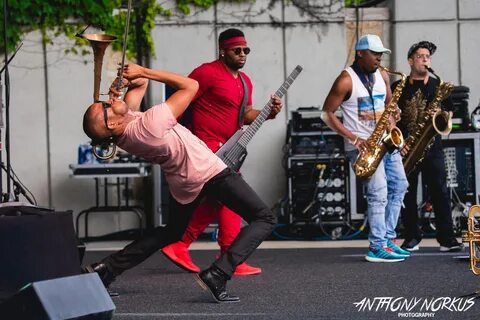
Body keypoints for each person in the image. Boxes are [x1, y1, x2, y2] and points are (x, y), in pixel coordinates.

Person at [82, 63, 278, 303]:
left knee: (172, 231)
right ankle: (219, 272)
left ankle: (107, 269)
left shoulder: (124, 130)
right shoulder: (149, 125)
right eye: (105, 107)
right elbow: (191, 85)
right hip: (207, 171)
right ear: (111, 124)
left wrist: (125, 85)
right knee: (265, 218)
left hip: (182, 181)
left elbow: (139, 86)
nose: (108, 102)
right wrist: (144, 71)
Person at [161, 28, 282, 276]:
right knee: (232, 197)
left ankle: (183, 245)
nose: (242, 54)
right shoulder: (206, 72)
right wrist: (173, 137)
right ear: (223, 50)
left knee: (221, 200)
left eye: (245, 50)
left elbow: (245, 115)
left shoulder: (245, 82)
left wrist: (268, 113)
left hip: (230, 150)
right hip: (204, 148)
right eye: (236, 50)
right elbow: (181, 100)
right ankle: (224, 254)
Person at [321, 34, 410, 262]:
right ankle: (376, 246)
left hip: (385, 141)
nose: (379, 58)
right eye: (375, 53)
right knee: (378, 192)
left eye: (381, 54)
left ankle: (388, 239)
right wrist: (353, 139)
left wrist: (394, 117)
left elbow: (389, 104)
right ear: (360, 53)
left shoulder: (382, 74)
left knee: (400, 185)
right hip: (362, 146)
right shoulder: (345, 80)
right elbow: (326, 113)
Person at [393, 41, 464, 252]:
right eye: (420, 56)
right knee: (407, 193)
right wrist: (400, 143)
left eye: (428, 56)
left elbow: (450, 113)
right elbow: (390, 118)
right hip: (407, 148)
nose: (425, 59)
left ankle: (447, 239)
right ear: (410, 60)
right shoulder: (398, 87)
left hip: (433, 147)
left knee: (441, 192)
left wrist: (441, 115)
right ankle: (411, 237)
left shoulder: (438, 86)